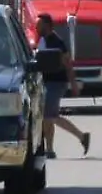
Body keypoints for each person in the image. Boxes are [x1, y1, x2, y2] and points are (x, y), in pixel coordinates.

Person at [32, 13, 91, 158]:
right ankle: (81, 137)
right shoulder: (42, 40)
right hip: (46, 83)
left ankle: (50, 150)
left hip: (56, 83)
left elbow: (68, 64)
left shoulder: (57, 43)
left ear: (47, 25)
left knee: (48, 116)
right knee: (51, 116)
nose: (36, 27)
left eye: (39, 24)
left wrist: (73, 84)